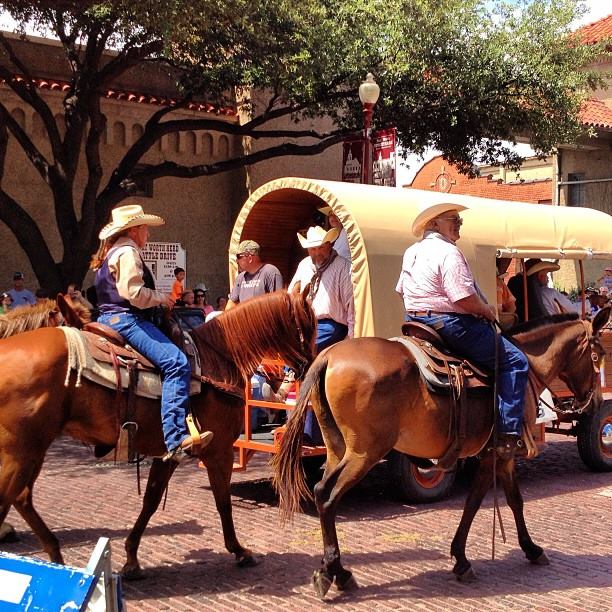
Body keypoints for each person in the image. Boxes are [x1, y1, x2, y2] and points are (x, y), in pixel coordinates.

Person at [395, 202, 528, 455]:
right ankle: (507, 435)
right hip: (451, 323)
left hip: (416, 321)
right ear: (434, 224)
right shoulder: (449, 252)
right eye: (452, 219)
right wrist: (485, 310)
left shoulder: (411, 251)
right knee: (514, 361)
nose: (458, 224)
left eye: (459, 220)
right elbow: (462, 298)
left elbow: (401, 290)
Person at [90, 203, 213, 460]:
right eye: (146, 228)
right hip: (126, 319)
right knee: (177, 363)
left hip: (106, 318)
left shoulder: (110, 252)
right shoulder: (127, 252)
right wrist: (162, 299)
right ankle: (175, 437)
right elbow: (133, 294)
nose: (148, 234)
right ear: (135, 230)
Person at [288, 225, 355, 444]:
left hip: (331, 325)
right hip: (306, 323)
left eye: (319, 248)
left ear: (328, 245)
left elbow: (350, 306)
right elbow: (292, 295)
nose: (315, 253)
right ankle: (293, 414)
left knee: (305, 355)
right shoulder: (304, 265)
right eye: (311, 249)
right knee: (291, 351)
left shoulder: (343, 268)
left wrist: (351, 340)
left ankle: (288, 387)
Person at [226, 240, 283, 309]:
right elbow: (232, 303)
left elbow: (278, 303)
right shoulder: (240, 277)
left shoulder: (270, 272)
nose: (236, 261)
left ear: (250, 258)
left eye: (238, 256)